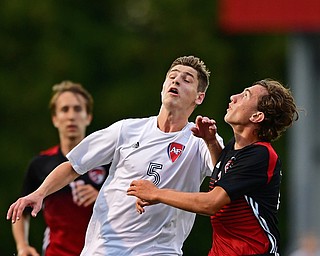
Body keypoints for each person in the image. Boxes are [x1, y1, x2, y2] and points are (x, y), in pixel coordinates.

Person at [7, 56, 224, 255]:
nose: (176, 81)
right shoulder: (127, 129)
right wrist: (39, 193)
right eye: (172, 77)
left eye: (186, 80)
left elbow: (223, 176)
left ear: (199, 97)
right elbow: (73, 165)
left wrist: (211, 142)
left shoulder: (202, 139)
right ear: (163, 87)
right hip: (105, 246)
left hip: (160, 249)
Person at [127, 78, 300, 256]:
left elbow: (211, 203)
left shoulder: (260, 155)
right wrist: (211, 142)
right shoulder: (236, 148)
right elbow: (228, 179)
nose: (234, 97)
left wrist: (157, 193)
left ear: (257, 117)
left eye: (245, 95)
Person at [11, 81, 109, 256]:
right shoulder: (40, 164)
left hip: (102, 251)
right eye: (65, 110)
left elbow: (132, 203)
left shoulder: (107, 161)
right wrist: (22, 246)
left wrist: (102, 197)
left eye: (78, 109)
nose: (71, 116)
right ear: (55, 119)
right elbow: (21, 210)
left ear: (88, 116)